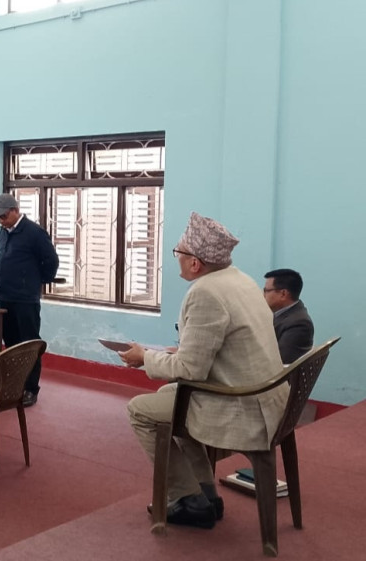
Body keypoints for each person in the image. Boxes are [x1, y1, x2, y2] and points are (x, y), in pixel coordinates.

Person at [120, 212, 287, 530]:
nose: (177, 259)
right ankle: (205, 495)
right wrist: (173, 353)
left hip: (241, 405)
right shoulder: (242, 280)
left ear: (195, 263)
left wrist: (145, 358)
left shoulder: (205, 293)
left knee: (140, 411)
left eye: (178, 252)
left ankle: (188, 497)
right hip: (265, 396)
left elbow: (190, 370)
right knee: (169, 397)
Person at [0, 193, 59, 407]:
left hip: (26, 299)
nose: (0, 220)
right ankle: (14, 384)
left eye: (3, 216)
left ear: (15, 211)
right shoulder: (3, 233)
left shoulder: (34, 233)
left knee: (28, 343)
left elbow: (51, 260)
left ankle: (30, 388)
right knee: (11, 343)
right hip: (6, 296)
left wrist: (37, 281)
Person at [263, 269, 314, 364]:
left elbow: (279, 362)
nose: (263, 295)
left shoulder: (299, 324)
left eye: (266, 290)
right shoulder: (280, 314)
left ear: (283, 294)